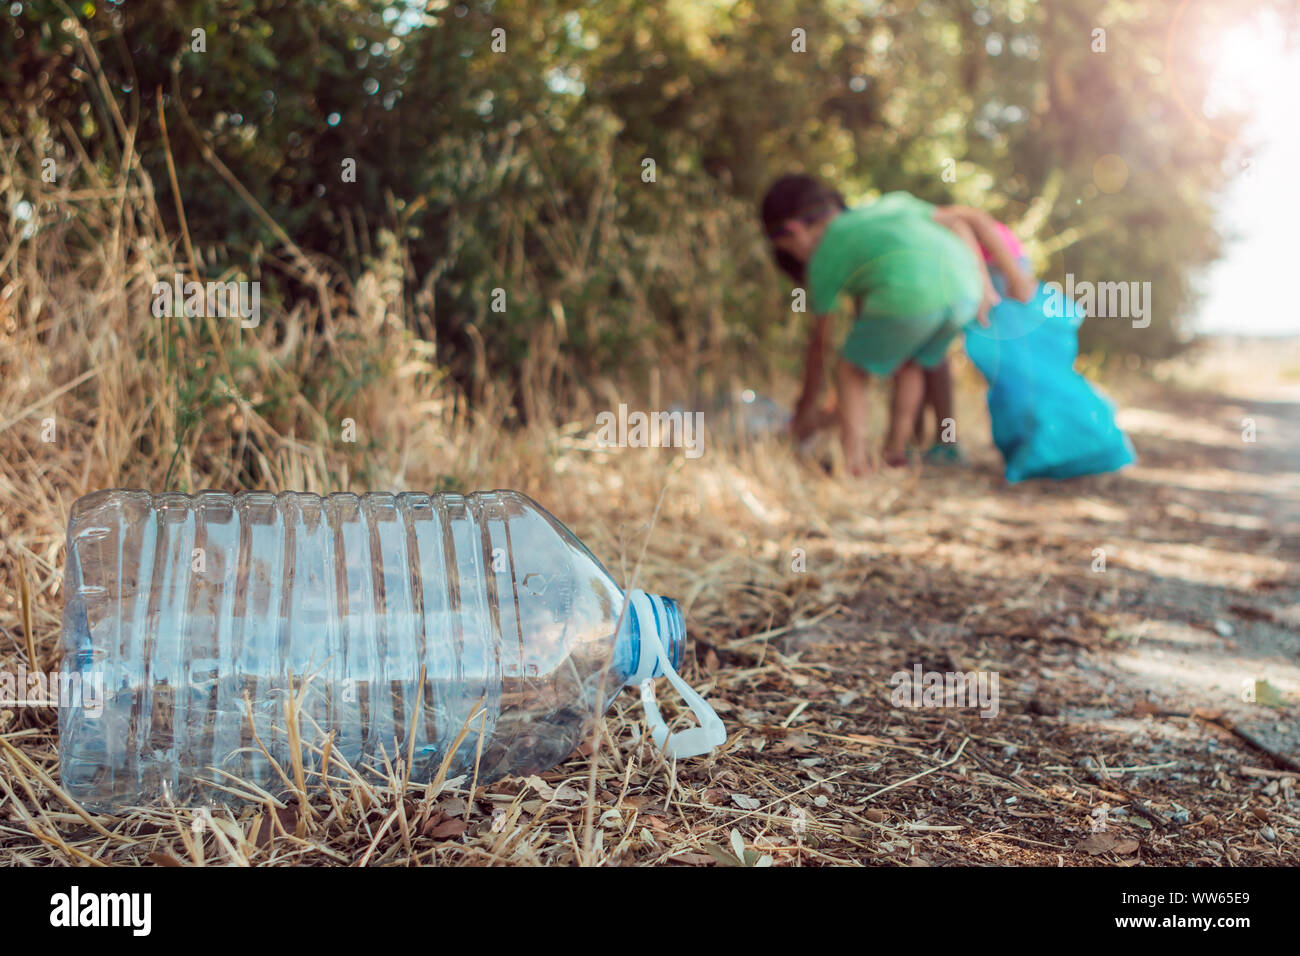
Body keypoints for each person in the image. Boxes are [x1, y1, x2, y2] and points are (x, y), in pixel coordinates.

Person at [760, 174, 1031, 474]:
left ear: (795, 231)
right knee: (911, 362)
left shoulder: (824, 254)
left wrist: (806, 407)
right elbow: (958, 222)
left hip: (912, 292)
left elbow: (820, 343)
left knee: (850, 370)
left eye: (788, 250)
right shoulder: (891, 205)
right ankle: (895, 451)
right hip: (963, 290)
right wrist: (992, 280)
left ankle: (855, 461)